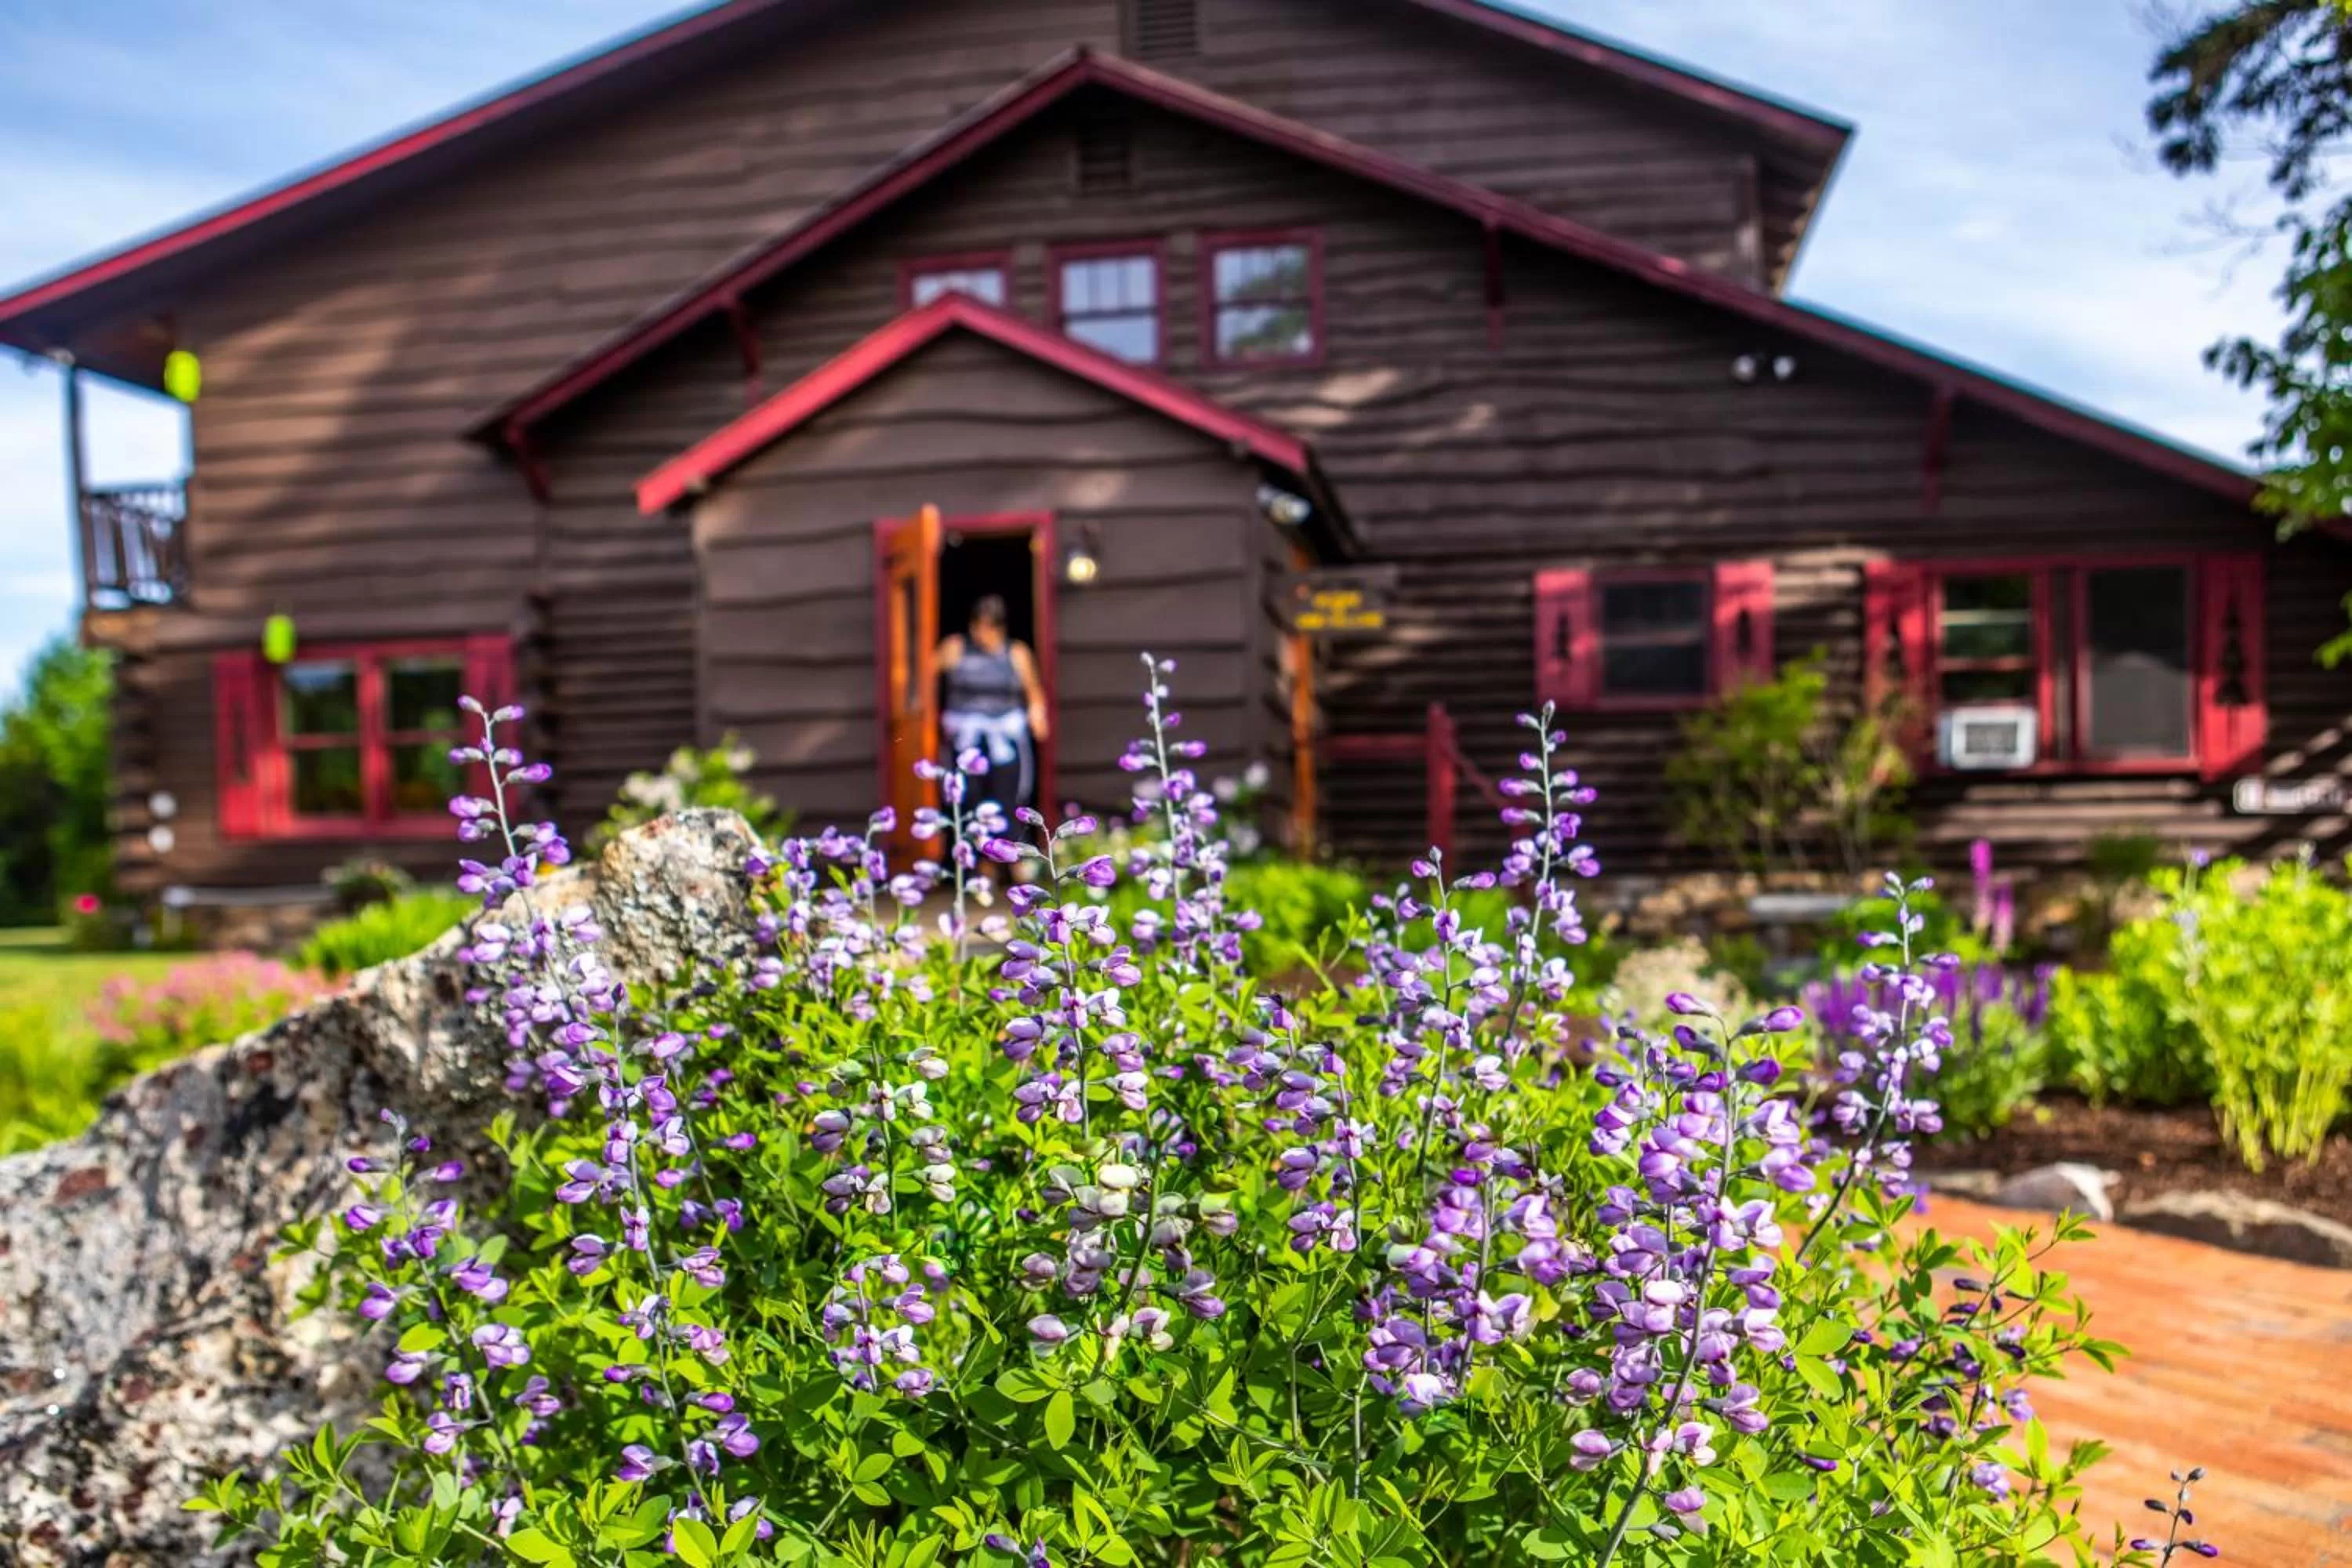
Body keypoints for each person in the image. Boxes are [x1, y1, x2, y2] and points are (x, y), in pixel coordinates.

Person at [937, 595, 1047, 819]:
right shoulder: (955, 647)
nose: (981, 634)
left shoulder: (1016, 652)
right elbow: (922, 678)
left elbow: (1033, 688)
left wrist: (1038, 715)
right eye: (977, 627)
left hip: (1003, 733)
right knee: (967, 797)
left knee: (1005, 798)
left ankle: (1003, 849)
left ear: (1000, 628)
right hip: (966, 734)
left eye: (988, 629)